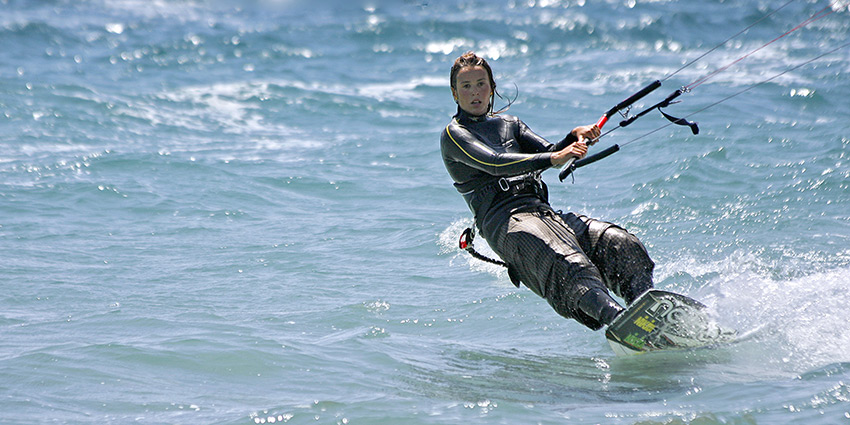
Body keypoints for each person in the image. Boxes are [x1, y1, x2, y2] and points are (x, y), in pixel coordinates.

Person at [440, 51, 655, 330]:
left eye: (481, 83)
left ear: (492, 87)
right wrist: (555, 158)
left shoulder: (510, 124)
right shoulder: (453, 135)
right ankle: (624, 324)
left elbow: (550, 152)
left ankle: (650, 313)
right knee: (570, 264)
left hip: (542, 213)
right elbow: (493, 163)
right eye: (466, 86)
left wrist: (573, 137)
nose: (475, 92)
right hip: (507, 225)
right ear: (455, 94)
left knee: (619, 242)